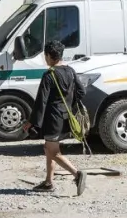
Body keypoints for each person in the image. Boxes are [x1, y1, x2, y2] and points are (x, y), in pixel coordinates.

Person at [23, 40, 87, 196]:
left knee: (53, 152)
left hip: (53, 120)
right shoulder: (70, 71)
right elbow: (81, 91)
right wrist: (69, 105)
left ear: (47, 56)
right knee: (49, 148)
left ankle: (77, 174)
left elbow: (41, 101)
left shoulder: (49, 75)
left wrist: (32, 122)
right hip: (66, 118)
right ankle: (48, 182)